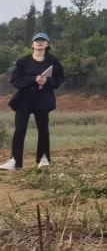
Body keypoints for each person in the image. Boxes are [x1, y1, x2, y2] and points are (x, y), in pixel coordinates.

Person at [4, 33, 65, 171]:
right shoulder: (23, 61)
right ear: (32, 44)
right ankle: (15, 162)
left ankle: (43, 159)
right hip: (24, 99)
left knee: (43, 130)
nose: (39, 42)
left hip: (43, 99)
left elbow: (59, 79)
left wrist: (47, 81)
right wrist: (33, 80)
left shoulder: (53, 61)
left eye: (43, 40)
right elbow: (15, 80)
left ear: (47, 44)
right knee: (20, 130)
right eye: (37, 40)